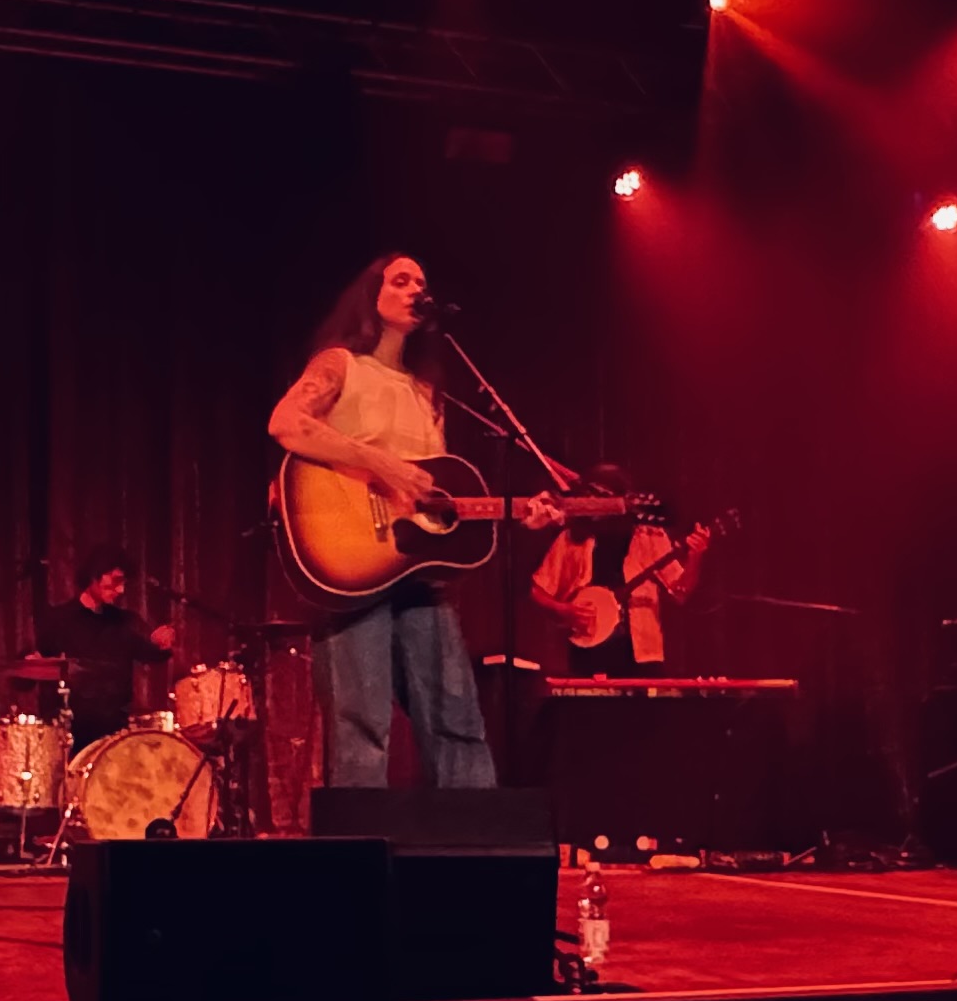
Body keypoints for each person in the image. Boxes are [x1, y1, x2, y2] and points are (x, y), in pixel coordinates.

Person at [268, 252, 503, 788]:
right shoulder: (340, 364)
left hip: (419, 567)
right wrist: (382, 463)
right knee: (362, 723)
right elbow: (286, 422)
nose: (415, 289)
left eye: (422, 282)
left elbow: (431, 487)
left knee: (457, 717)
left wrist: (516, 511)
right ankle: (360, 857)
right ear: (370, 295)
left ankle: (474, 848)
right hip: (350, 557)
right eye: (402, 281)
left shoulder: (427, 391)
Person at [529, 463, 714, 678]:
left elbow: (680, 592)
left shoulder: (649, 536)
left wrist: (695, 556)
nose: (593, 503)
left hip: (642, 654)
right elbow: (538, 591)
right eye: (589, 497)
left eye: (601, 497)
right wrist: (563, 611)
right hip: (588, 651)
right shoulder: (571, 539)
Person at [30, 545, 175, 744]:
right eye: (115, 581)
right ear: (93, 576)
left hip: (115, 733)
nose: (121, 589)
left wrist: (163, 642)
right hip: (69, 732)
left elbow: (153, 653)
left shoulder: (125, 621)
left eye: (123, 582)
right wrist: (30, 661)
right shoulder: (59, 619)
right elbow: (35, 667)